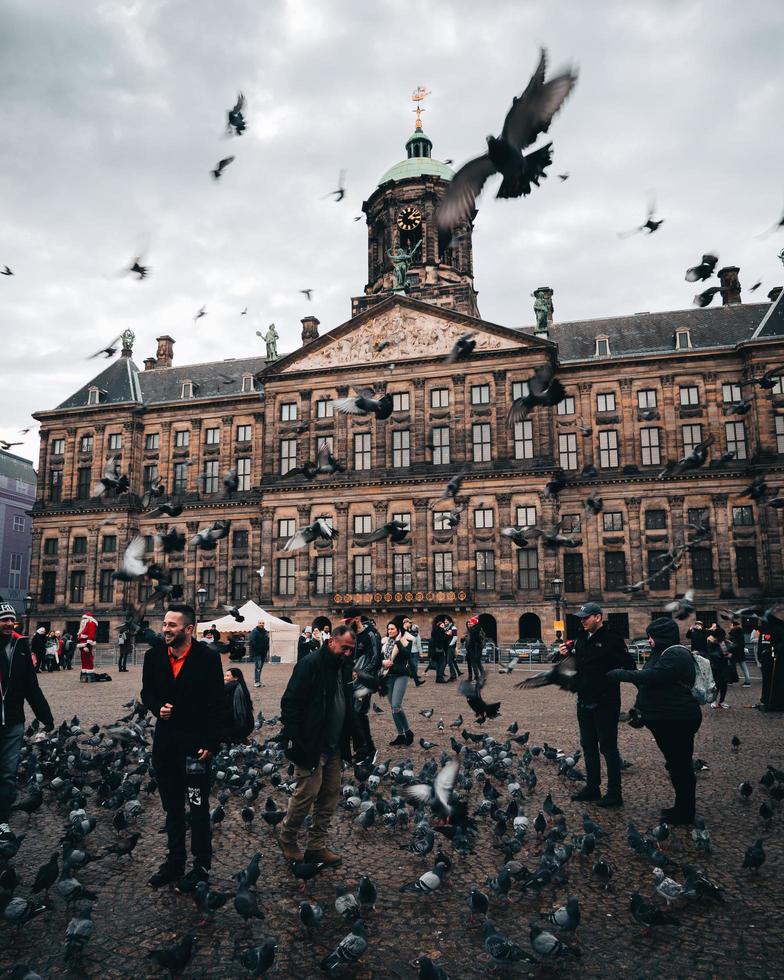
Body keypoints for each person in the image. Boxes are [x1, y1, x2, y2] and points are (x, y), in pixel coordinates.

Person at [141, 604, 224, 891]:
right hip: (165, 746)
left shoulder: (207, 659)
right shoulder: (153, 657)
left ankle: (201, 866)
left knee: (199, 809)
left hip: (195, 747)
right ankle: (174, 862)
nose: (165, 629)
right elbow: (146, 692)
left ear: (189, 629)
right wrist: (156, 707)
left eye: (172, 625)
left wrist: (211, 742)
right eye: (164, 624)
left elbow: (217, 704)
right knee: (173, 808)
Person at [278, 625, 363, 865]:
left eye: (351, 649)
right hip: (312, 742)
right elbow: (290, 702)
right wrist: (295, 738)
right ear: (332, 641)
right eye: (344, 648)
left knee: (330, 795)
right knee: (306, 794)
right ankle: (287, 837)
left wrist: (358, 738)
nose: (348, 653)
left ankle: (316, 845)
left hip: (334, 743)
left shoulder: (344, 666)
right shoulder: (310, 664)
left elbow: (347, 703)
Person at [607, 618, 702, 825]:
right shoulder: (662, 652)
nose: (649, 640)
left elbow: (654, 676)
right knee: (675, 765)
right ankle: (680, 806)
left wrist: (621, 674)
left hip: (678, 718)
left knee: (681, 766)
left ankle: (686, 811)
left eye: (652, 636)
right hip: (666, 717)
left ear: (662, 636)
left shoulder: (676, 653)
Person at [560, 602, 635, 808]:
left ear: (598, 617)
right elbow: (580, 664)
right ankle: (593, 787)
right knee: (588, 745)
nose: (582, 620)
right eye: (581, 617)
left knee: (608, 748)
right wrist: (568, 656)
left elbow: (629, 666)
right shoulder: (582, 638)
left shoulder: (612, 638)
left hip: (605, 701)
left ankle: (614, 793)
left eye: (586, 617)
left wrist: (611, 677)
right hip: (584, 699)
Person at [0, 600, 54, 831]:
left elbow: (31, 686)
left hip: (13, 721)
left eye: (12, 619)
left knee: (8, 774)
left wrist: (45, 716)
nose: (9, 623)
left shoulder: (22, 645)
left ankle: (2, 820)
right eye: (4, 619)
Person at [344, 610, 381, 763]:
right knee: (353, 714)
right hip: (352, 680)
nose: (346, 624)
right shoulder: (351, 635)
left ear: (357, 619)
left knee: (358, 713)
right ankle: (363, 748)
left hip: (366, 680)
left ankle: (366, 749)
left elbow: (374, 658)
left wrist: (360, 673)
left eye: (349, 621)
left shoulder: (370, 634)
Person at [382, 621, 413, 746]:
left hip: (401, 675)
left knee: (396, 705)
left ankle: (408, 731)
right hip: (388, 675)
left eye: (392, 629)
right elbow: (380, 657)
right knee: (393, 708)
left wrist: (398, 641)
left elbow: (407, 655)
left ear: (398, 630)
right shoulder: (385, 643)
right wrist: (384, 662)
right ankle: (400, 735)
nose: (389, 631)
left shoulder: (406, 640)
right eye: (388, 629)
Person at [220, 667, 254, 744]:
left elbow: (229, 712)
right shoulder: (240, 687)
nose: (225, 678)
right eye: (225, 675)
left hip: (241, 726)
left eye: (228, 676)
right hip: (247, 725)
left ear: (235, 678)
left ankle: (237, 738)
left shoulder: (232, 689)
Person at [704, 622, 730, 708]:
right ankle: (714, 701)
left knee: (723, 685)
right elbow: (712, 654)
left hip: (723, 666)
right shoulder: (712, 642)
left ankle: (721, 701)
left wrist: (728, 654)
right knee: (717, 685)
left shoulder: (723, 643)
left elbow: (725, 653)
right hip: (715, 666)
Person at [402, 616, 425, 687]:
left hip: (408, 651)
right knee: (404, 666)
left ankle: (417, 682)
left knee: (412, 666)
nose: (410, 624)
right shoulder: (403, 630)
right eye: (409, 623)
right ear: (405, 623)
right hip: (404, 651)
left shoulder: (409, 631)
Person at [728, 620, 750, 687]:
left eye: (731, 625)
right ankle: (747, 682)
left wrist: (729, 645)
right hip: (740, 652)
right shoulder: (741, 633)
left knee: (731, 666)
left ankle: (731, 681)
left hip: (734, 653)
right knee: (744, 667)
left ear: (734, 625)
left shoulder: (733, 632)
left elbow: (733, 644)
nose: (730, 626)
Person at [77, 611, 98, 682]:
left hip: (86, 643)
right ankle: (85, 670)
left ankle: (89, 671)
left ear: (88, 618)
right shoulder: (85, 625)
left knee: (88, 659)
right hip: (82, 643)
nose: (83, 620)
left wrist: (88, 645)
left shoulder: (91, 623)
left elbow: (91, 634)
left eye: (84, 618)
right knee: (84, 659)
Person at [248, 620, 269, 689]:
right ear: (258, 624)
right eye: (260, 623)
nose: (261, 624)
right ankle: (256, 682)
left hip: (263, 653)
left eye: (263, 623)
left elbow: (266, 641)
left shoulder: (265, 632)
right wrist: (257, 649)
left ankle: (258, 681)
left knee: (260, 668)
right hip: (257, 653)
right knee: (258, 667)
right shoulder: (255, 631)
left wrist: (266, 649)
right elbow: (251, 642)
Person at [465, 616, 486, 684]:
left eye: (471, 622)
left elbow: (474, 641)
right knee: (478, 663)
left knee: (474, 664)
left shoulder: (474, 630)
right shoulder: (477, 629)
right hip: (476, 649)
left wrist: (469, 647)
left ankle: (477, 678)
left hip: (475, 649)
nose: (470, 624)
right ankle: (482, 676)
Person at [428, 617, 449, 683]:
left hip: (435, 651)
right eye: (442, 625)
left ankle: (438, 677)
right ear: (439, 626)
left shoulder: (434, 632)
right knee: (441, 664)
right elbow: (443, 640)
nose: (443, 626)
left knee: (438, 664)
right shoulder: (441, 631)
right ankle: (439, 678)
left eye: (443, 625)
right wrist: (447, 635)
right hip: (440, 650)